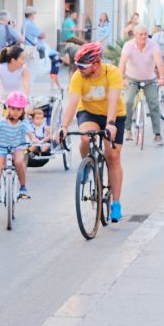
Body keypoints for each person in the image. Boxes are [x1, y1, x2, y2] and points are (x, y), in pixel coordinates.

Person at [53, 42, 125, 222]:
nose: (79, 69)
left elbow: (113, 102)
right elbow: (72, 103)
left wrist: (110, 124)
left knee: (113, 156)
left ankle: (116, 203)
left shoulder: (112, 72)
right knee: (85, 138)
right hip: (89, 113)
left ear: (95, 64)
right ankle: (88, 165)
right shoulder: (78, 76)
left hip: (113, 114)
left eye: (82, 66)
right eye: (77, 66)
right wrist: (63, 127)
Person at [118, 25, 164, 145]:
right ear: (135, 35)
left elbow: (159, 62)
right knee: (128, 102)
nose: (144, 36)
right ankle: (128, 129)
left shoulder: (153, 45)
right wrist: (121, 79)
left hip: (149, 79)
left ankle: (157, 134)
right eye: (141, 34)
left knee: (154, 104)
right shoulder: (128, 46)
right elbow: (122, 62)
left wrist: (162, 77)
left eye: (146, 34)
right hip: (132, 78)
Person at [0, 91, 31, 203]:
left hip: (17, 147)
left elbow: (31, 133)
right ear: (8, 108)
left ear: (23, 111)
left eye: (19, 109)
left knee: (19, 162)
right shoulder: (2, 122)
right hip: (1, 149)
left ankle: (23, 187)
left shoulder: (23, 123)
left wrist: (35, 140)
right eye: (13, 109)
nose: (16, 112)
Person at [0, 45, 31, 116]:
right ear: (13, 60)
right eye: (22, 59)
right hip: (4, 102)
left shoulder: (24, 69)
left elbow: (26, 86)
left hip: (19, 101)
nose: (24, 61)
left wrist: (24, 98)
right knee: (1, 123)